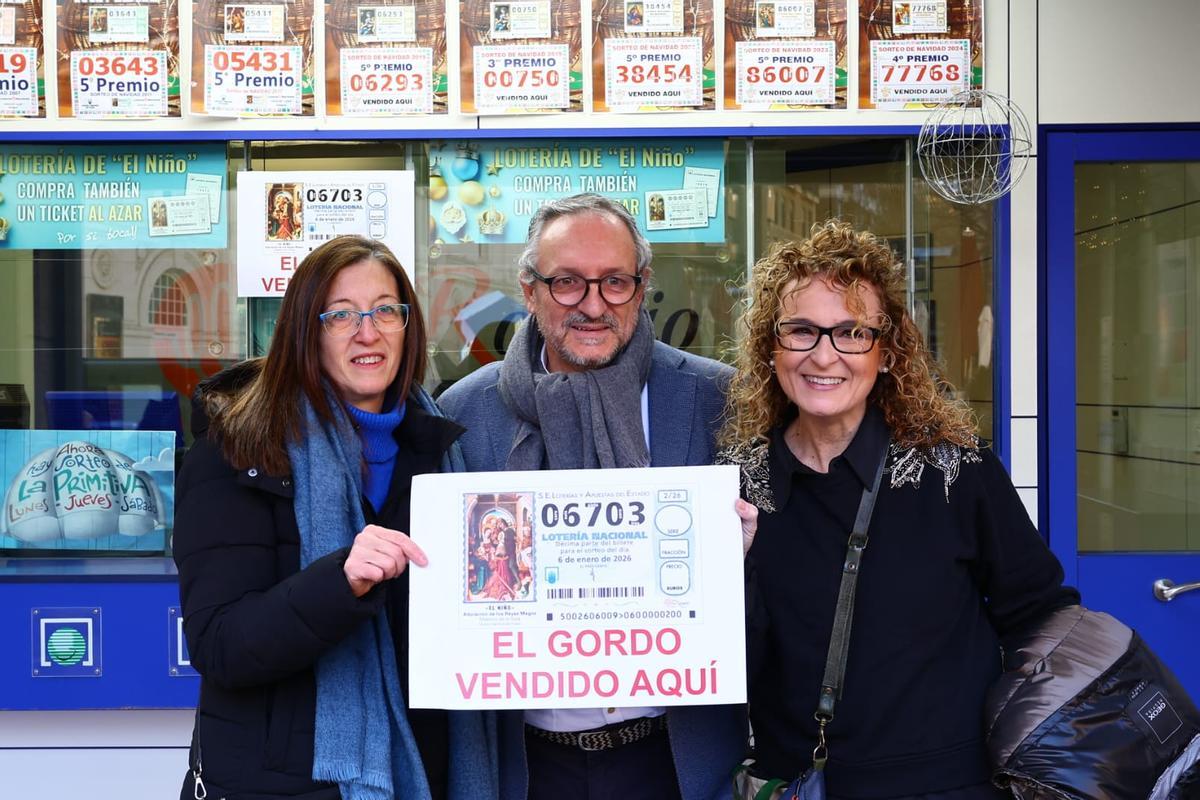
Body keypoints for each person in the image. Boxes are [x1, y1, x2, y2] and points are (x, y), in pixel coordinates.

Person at [719, 220, 1080, 800]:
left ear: (886, 354)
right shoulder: (736, 484)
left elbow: (1042, 614)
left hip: (948, 785)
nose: (824, 355)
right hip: (799, 785)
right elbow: (724, 656)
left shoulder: (953, 470)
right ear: (771, 347)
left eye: (851, 333)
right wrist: (728, 576)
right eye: (801, 331)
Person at [438, 193, 755, 800]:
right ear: (529, 290)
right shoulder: (464, 413)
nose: (592, 304)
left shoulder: (717, 400)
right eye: (566, 282)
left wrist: (741, 557)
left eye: (614, 281)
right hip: (526, 767)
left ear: (642, 287)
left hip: (674, 761)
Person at [174, 236, 497, 800]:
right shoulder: (239, 450)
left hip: (423, 775)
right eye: (341, 315)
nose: (367, 332)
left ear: (407, 326)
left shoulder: (444, 451)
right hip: (287, 784)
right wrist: (339, 581)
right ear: (306, 331)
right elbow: (220, 645)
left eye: (385, 311)